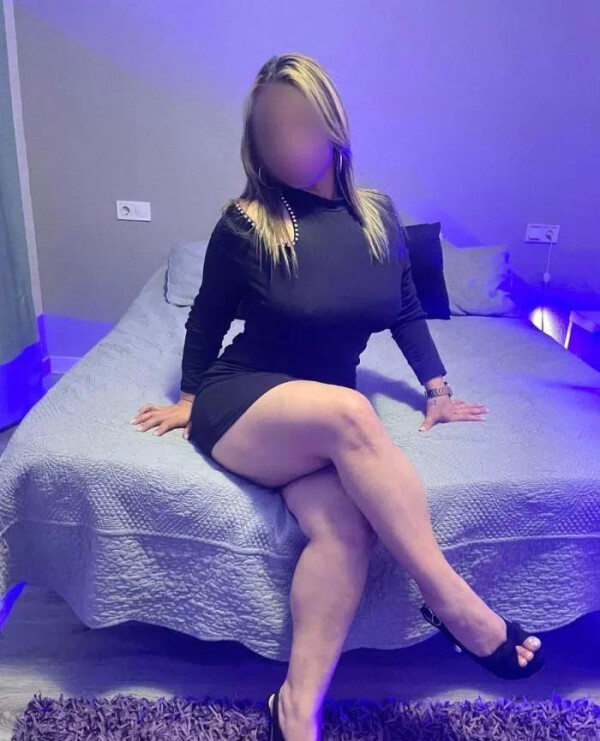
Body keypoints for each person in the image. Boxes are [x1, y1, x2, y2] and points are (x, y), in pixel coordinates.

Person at [131, 52, 545, 741]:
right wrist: (191, 396)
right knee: (351, 411)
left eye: (300, 123)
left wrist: (437, 389)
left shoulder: (378, 216)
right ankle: (456, 606)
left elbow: (405, 307)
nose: (286, 142)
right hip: (246, 401)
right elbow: (206, 317)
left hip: (317, 420)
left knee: (347, 528)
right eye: (270, 130)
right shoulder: (247, 222)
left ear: (333, 123)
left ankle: (295, 708)